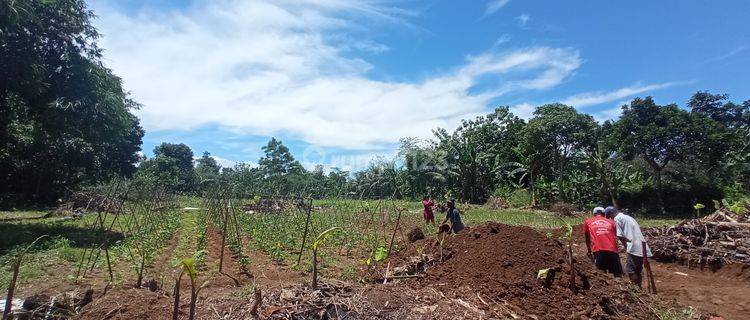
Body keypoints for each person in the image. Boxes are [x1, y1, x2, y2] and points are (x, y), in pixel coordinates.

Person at [607, 206, 652, 288]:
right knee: (637, 270)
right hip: (642, 246)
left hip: (633, 247)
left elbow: (620, 235)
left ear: (611, 213)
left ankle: (636, 289)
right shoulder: (628, 217)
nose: (610, 218)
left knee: (630, 270)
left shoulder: (617, 219)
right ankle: (639, 288)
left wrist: (625, 247)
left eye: (609, 216)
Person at [583, 206, 622, 277]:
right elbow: (616, 235)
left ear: (594, 214)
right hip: (613, 250)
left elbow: (587, 238)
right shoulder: (612, 222)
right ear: (604, 214)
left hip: (598, 250)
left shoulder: (588, 221)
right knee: (617, 275)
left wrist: (589, 250)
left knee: (601, 275)